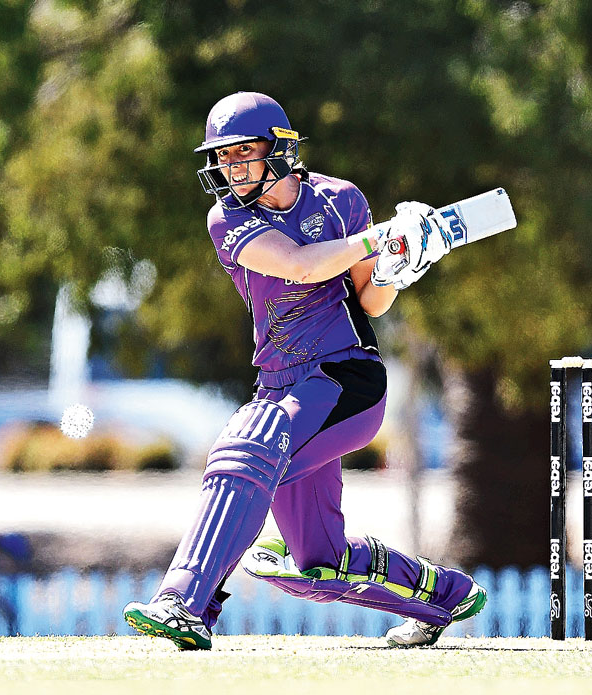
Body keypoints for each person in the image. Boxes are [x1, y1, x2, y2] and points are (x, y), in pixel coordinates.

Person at [123, 91, 486, 649]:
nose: (231, 167)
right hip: (283, 385)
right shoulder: (229, 220)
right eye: (223, 157)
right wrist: (385, 236)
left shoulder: (340, 199)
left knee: (247, 447)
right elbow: (299, 265)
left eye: (244, 152)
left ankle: (184, 604)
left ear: (281, 149)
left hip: (347, 379)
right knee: (317, 563)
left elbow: (369, 301)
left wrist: (397, 267)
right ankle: (443, 596)